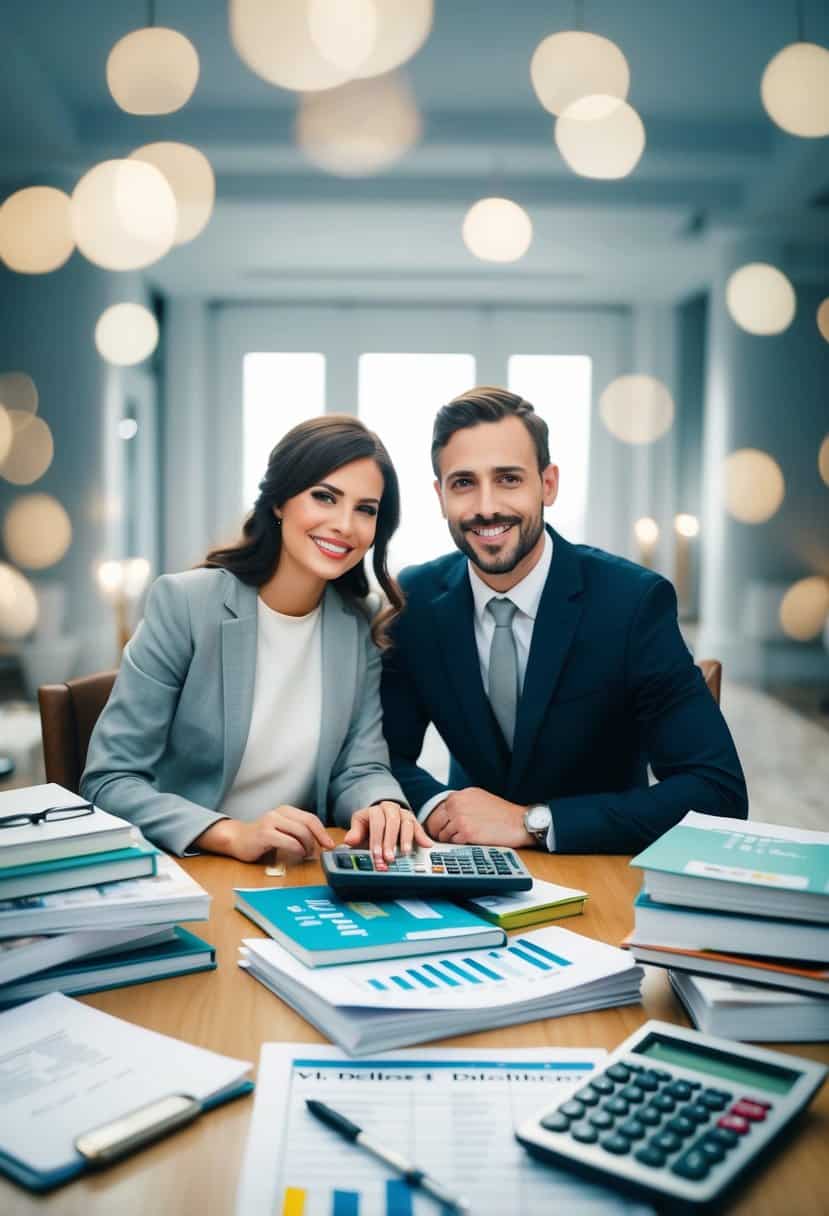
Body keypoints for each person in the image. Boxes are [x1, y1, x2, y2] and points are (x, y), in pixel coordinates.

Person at [380, 387, 748, 854]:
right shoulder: (417, 599)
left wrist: (533, 822)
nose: (486, 506)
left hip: (598, 865)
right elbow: (382, 756)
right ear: (440, 495)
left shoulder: (632, 603)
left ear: (547, 484)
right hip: (468, 868)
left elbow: (717, 794)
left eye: (509, 479)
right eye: (463, 483)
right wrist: (440, 807)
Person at [82, 415, 431, 865]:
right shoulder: (186, 604)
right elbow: (111, 780)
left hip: (293, 871)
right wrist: (231, 834)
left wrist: (382, 805)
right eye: (325, 497)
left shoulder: (355, 625)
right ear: (280, 502)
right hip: (189, 867)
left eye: (366, 509)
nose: (345, 524)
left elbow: (358, 767)